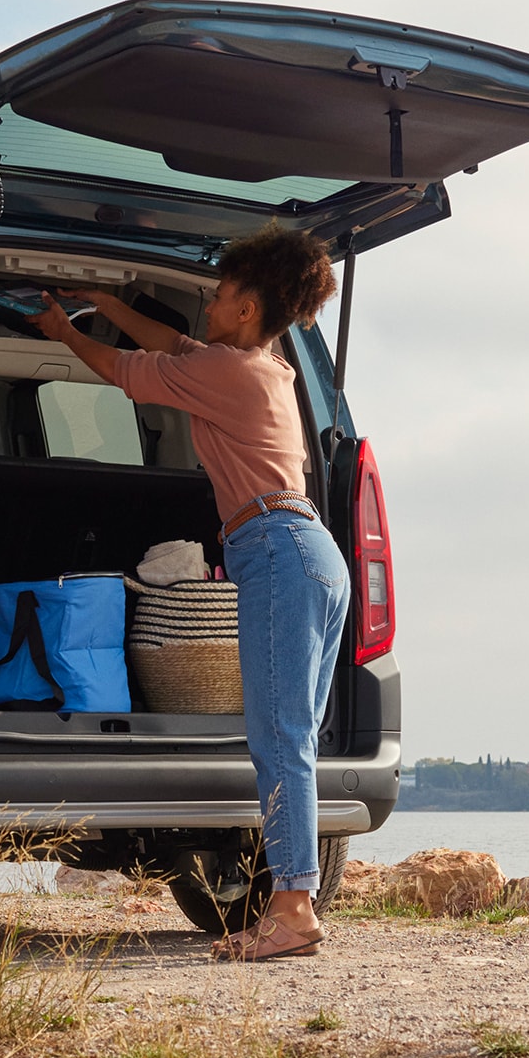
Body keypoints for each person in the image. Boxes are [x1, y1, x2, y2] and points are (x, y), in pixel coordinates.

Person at [26, 227, 349, 961]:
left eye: (221, 294)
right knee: (294, 735)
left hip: (276, 550)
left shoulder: (227, 372)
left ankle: (293, 909)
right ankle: (295, 897)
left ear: (247, 309)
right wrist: (105, 299)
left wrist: (65, 333)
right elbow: (175, 344)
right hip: (310, 551)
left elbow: (125, 369)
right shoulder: (265, 366)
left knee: (280, 737)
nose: (210, 304)